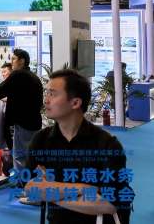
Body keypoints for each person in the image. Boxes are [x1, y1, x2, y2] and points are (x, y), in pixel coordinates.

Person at [21, 69, 133, 223]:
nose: (46, 100)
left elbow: (109, 204)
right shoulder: (41, 140)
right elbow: (29, 188)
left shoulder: (106, 144)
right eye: (47, 93)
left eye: (53, 94)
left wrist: (50, 190)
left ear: (75, 102)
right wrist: (85, 189)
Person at [0, 49, 42, 196]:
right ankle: (25, 185)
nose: (11, 62)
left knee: (21, 157)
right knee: (29, 156)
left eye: (13, 59)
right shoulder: (33, 77)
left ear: (22, 61)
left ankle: (27, 190)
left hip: (23, 122)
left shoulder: (19, 75)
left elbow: (2, 89)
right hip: (33, 122)